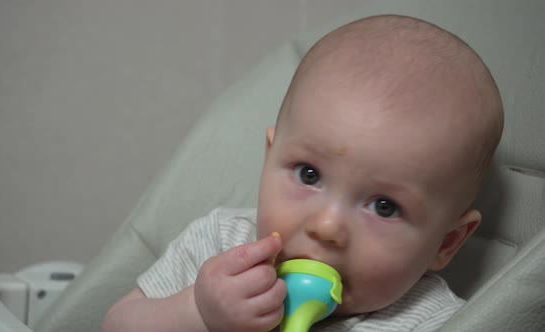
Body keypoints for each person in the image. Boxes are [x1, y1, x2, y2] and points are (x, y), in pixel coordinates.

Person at [102, 14, 503, 332]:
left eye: (384, 206)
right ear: (269, 158)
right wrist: (195, 314)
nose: (327, 227)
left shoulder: (432, 321)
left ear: (446, 243)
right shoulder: (219, 244)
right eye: (309, 175)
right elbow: (114, 325)